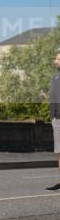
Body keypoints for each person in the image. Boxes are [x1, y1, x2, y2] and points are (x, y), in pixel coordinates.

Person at [48, 50, 60, 191]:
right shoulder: (55, 78)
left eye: (58, 59)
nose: (55, 61)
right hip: (57, 119)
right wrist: (52, 117)